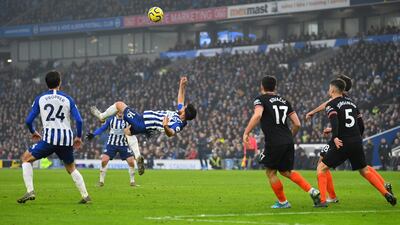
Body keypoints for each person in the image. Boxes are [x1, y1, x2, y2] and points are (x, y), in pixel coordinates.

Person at [306, 75, 391, 201]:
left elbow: (328, 105)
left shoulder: (338, 99)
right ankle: (384, 185)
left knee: (322, 164)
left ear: (337, 88)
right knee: (364, 168)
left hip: (341, 138)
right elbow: (354, 123)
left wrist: (313, 112)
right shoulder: (349, 101)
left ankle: (330, 197)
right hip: (352, 138)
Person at [90, 76, 196, 175]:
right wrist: (182, 85)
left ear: (185, 112)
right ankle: (138, 157)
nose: (183, 106)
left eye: (184, 107)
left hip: (143, 122)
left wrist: (165, 127)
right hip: (145, 125)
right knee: (127, 131)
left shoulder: (179, 123)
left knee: (119, 105)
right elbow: (180, 99)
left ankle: (101, 116)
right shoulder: (180, 114)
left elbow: (171, 133)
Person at [243, 76, 321, 209]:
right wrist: (289, 137)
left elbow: (258, 115)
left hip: (274, 141)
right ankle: (312, 190)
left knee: (271, 172)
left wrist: (246, 132)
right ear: (275, 87)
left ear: (262, 86)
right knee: (286, 172)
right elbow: (297, 124)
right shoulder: (284, 101)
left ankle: (283, 202)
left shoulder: (260, 99)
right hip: (287, 140)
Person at [18, 71, 90, 204]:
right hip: (67, 139)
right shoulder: (68, 99)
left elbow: (28, 120)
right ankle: (85, 195)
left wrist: (33, 131)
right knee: (71, 168)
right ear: (60, 82)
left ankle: (30, 191)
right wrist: (78, 137)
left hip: (50, 138)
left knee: (26, 159)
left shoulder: (41, 98)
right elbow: (79, 120)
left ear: (47, 83)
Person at [86, 111, 138, 187]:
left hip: (123, 144)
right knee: (104, 160)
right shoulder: (110, 120)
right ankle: (101, 181)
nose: (120, 112)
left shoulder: (127, 120)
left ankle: (132, 182)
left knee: (131, 162)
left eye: (121, 111)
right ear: (116, 112)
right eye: (119, 111)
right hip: (111, 144)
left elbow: (135, 128)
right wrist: (93, 134)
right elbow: (102, 128)